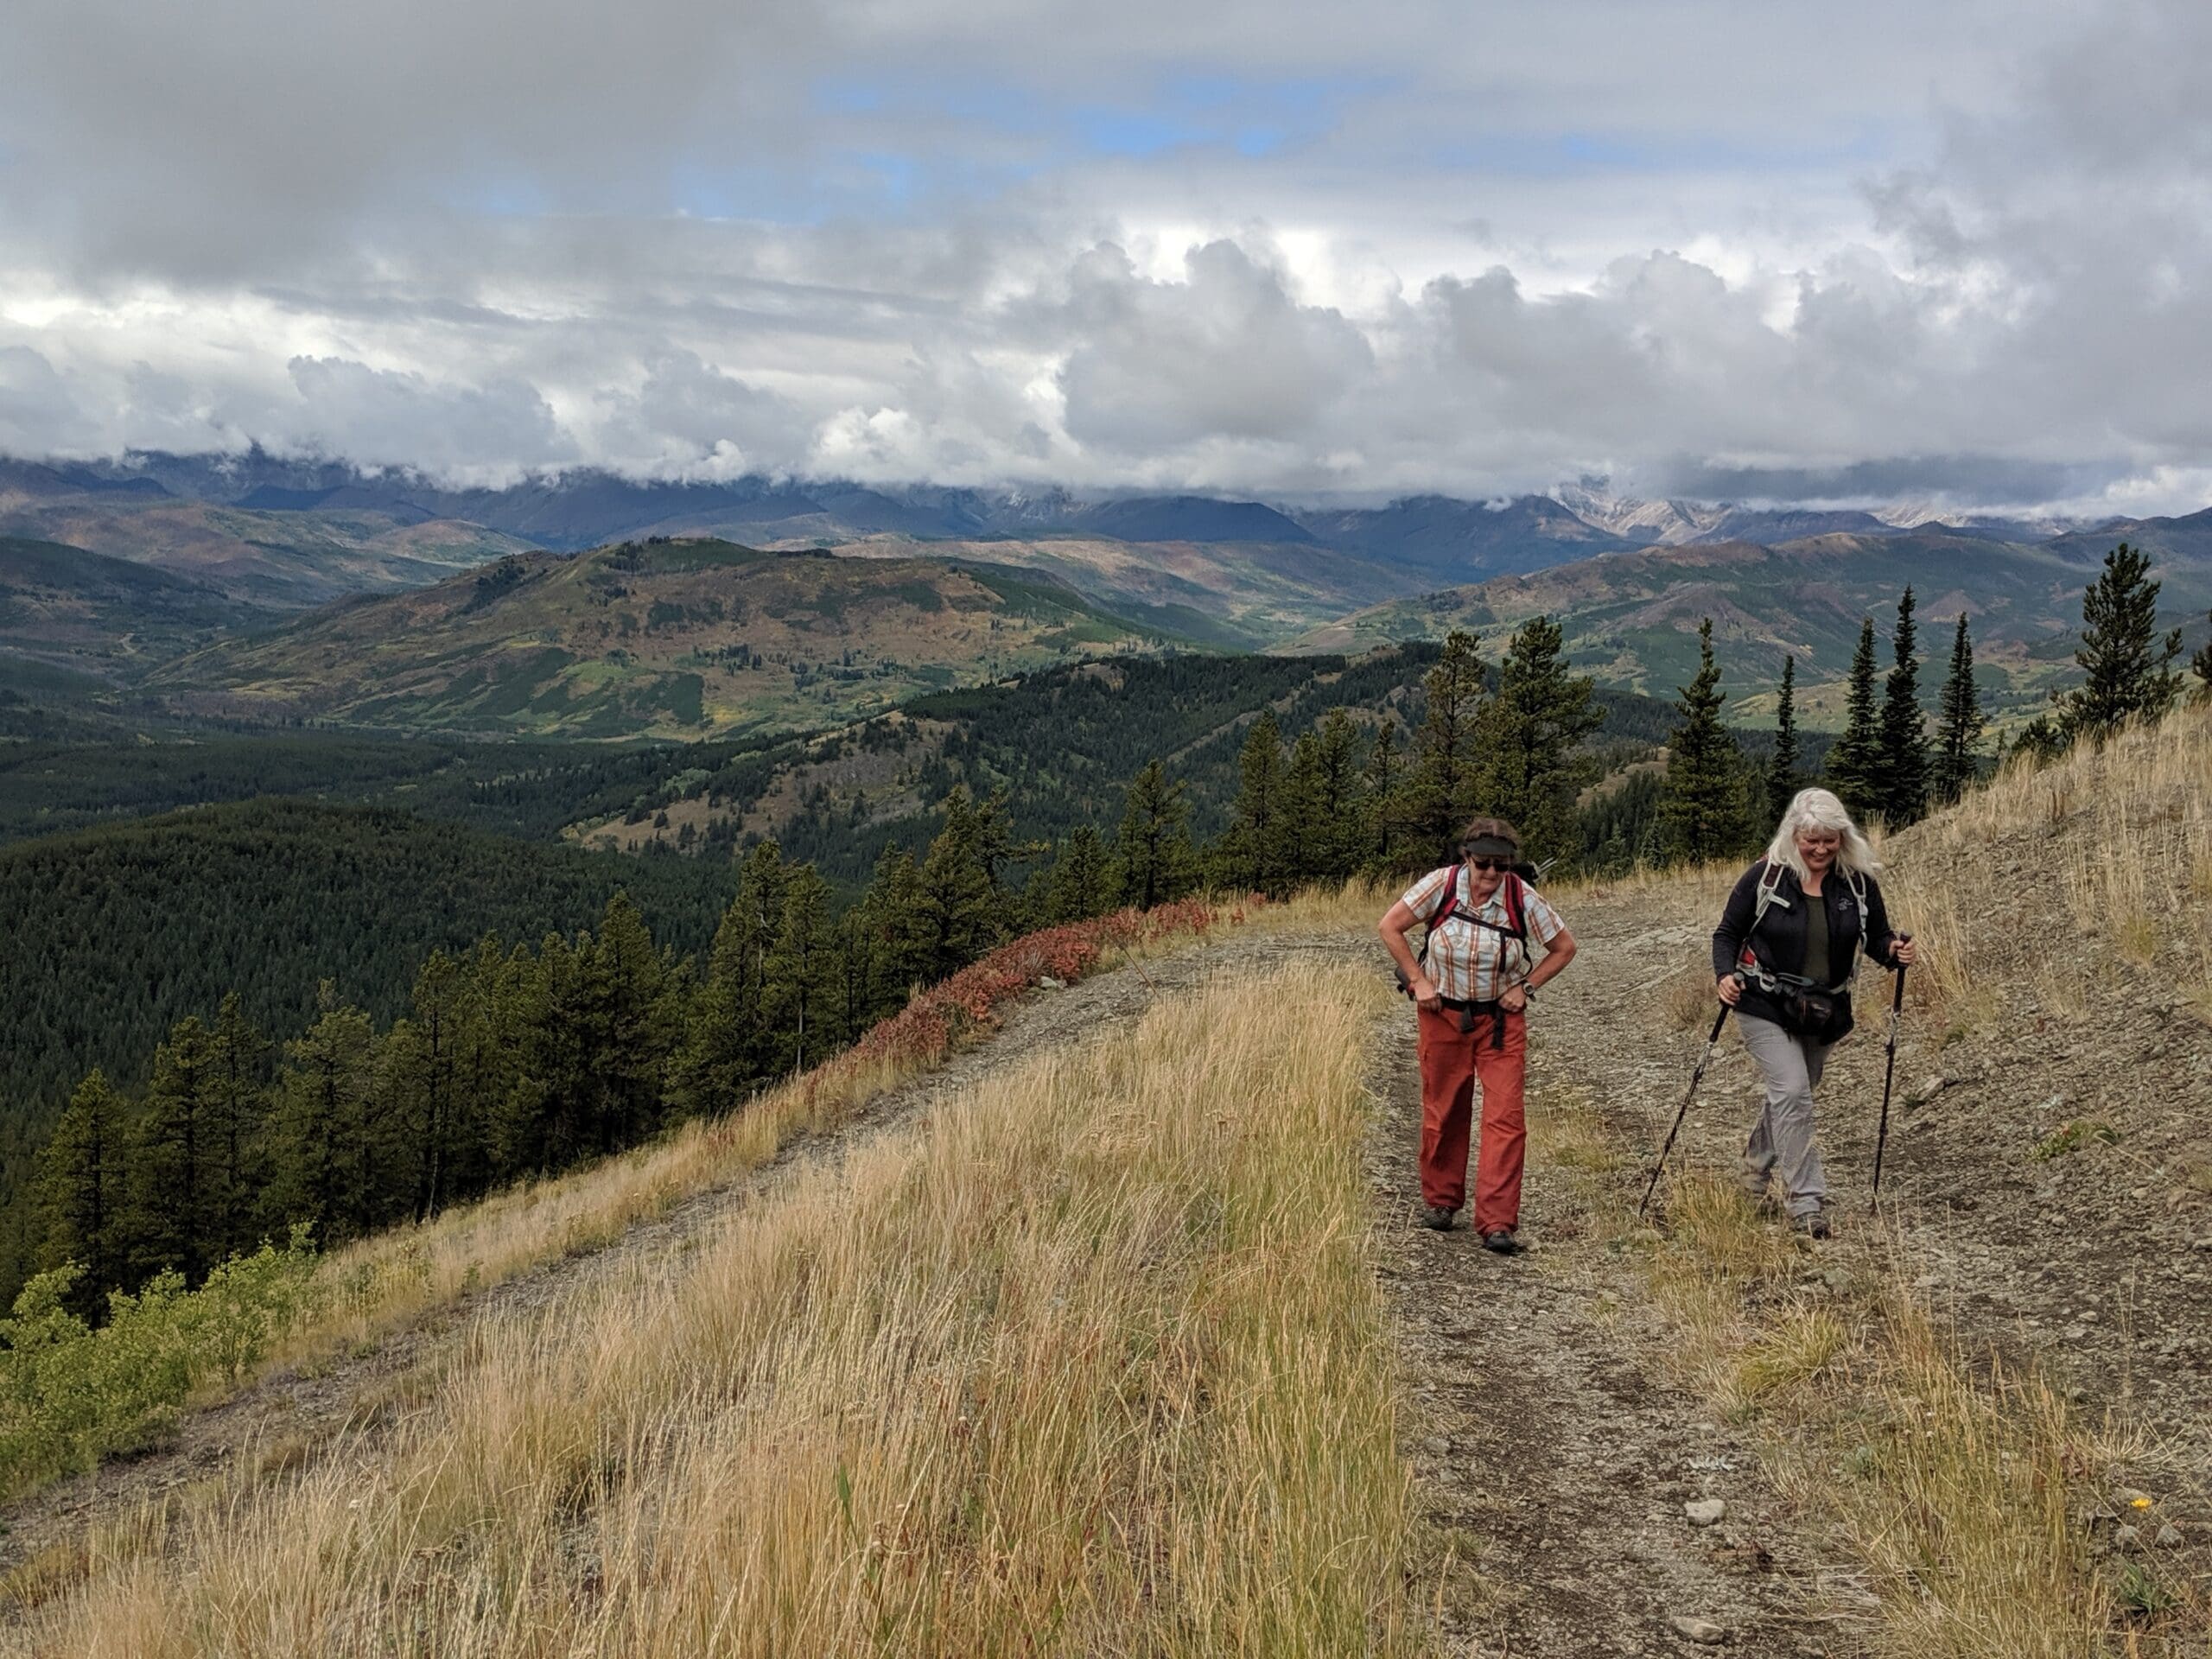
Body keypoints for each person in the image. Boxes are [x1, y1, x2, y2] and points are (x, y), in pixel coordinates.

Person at [1711, 787, 1917, 1237]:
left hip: (1824, 1011)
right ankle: (1807, 1202)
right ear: (1795, 836)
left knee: (1791, 1095)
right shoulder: (1764, 877)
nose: (1821, 849)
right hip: (1761, 1001)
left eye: (1830, 840)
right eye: (1812, 840)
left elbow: (1877, 938)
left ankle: (1752, 1175)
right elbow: (1727, 933)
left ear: (1843, 838)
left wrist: (1894, 951)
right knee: (1793, 1092)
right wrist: (1724, 975)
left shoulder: (1858, 885)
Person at [1378, 817, 1577, 1252]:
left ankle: (1498, 1222)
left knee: (1505, 1117)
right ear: (1467, 858)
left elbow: (1564, 947)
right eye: (1483, 863)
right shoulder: (1441, 885)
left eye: (1501, 865)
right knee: (1444, 1109)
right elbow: (1390, 926)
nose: (1490, 874)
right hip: (1442, 1013)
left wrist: (1525, 988)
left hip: (1500, 1023)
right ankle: (1442, 1200)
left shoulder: (1521, 897)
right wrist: (1418, 980)